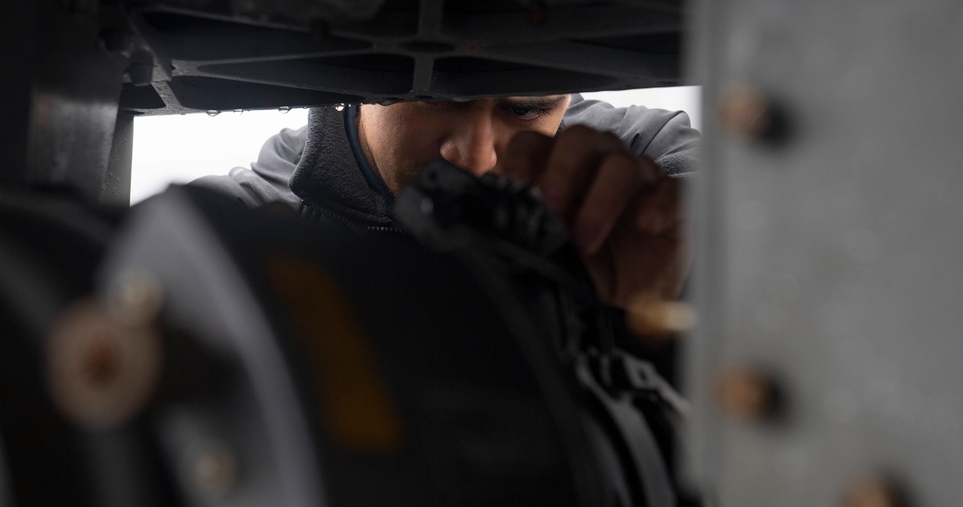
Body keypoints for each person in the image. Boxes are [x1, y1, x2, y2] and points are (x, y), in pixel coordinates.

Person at [195, 93, 698, 308]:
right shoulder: (241, 230)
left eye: (525, 109)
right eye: (436, 95)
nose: (476, 158)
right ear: (359, 80)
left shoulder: (645, 166)